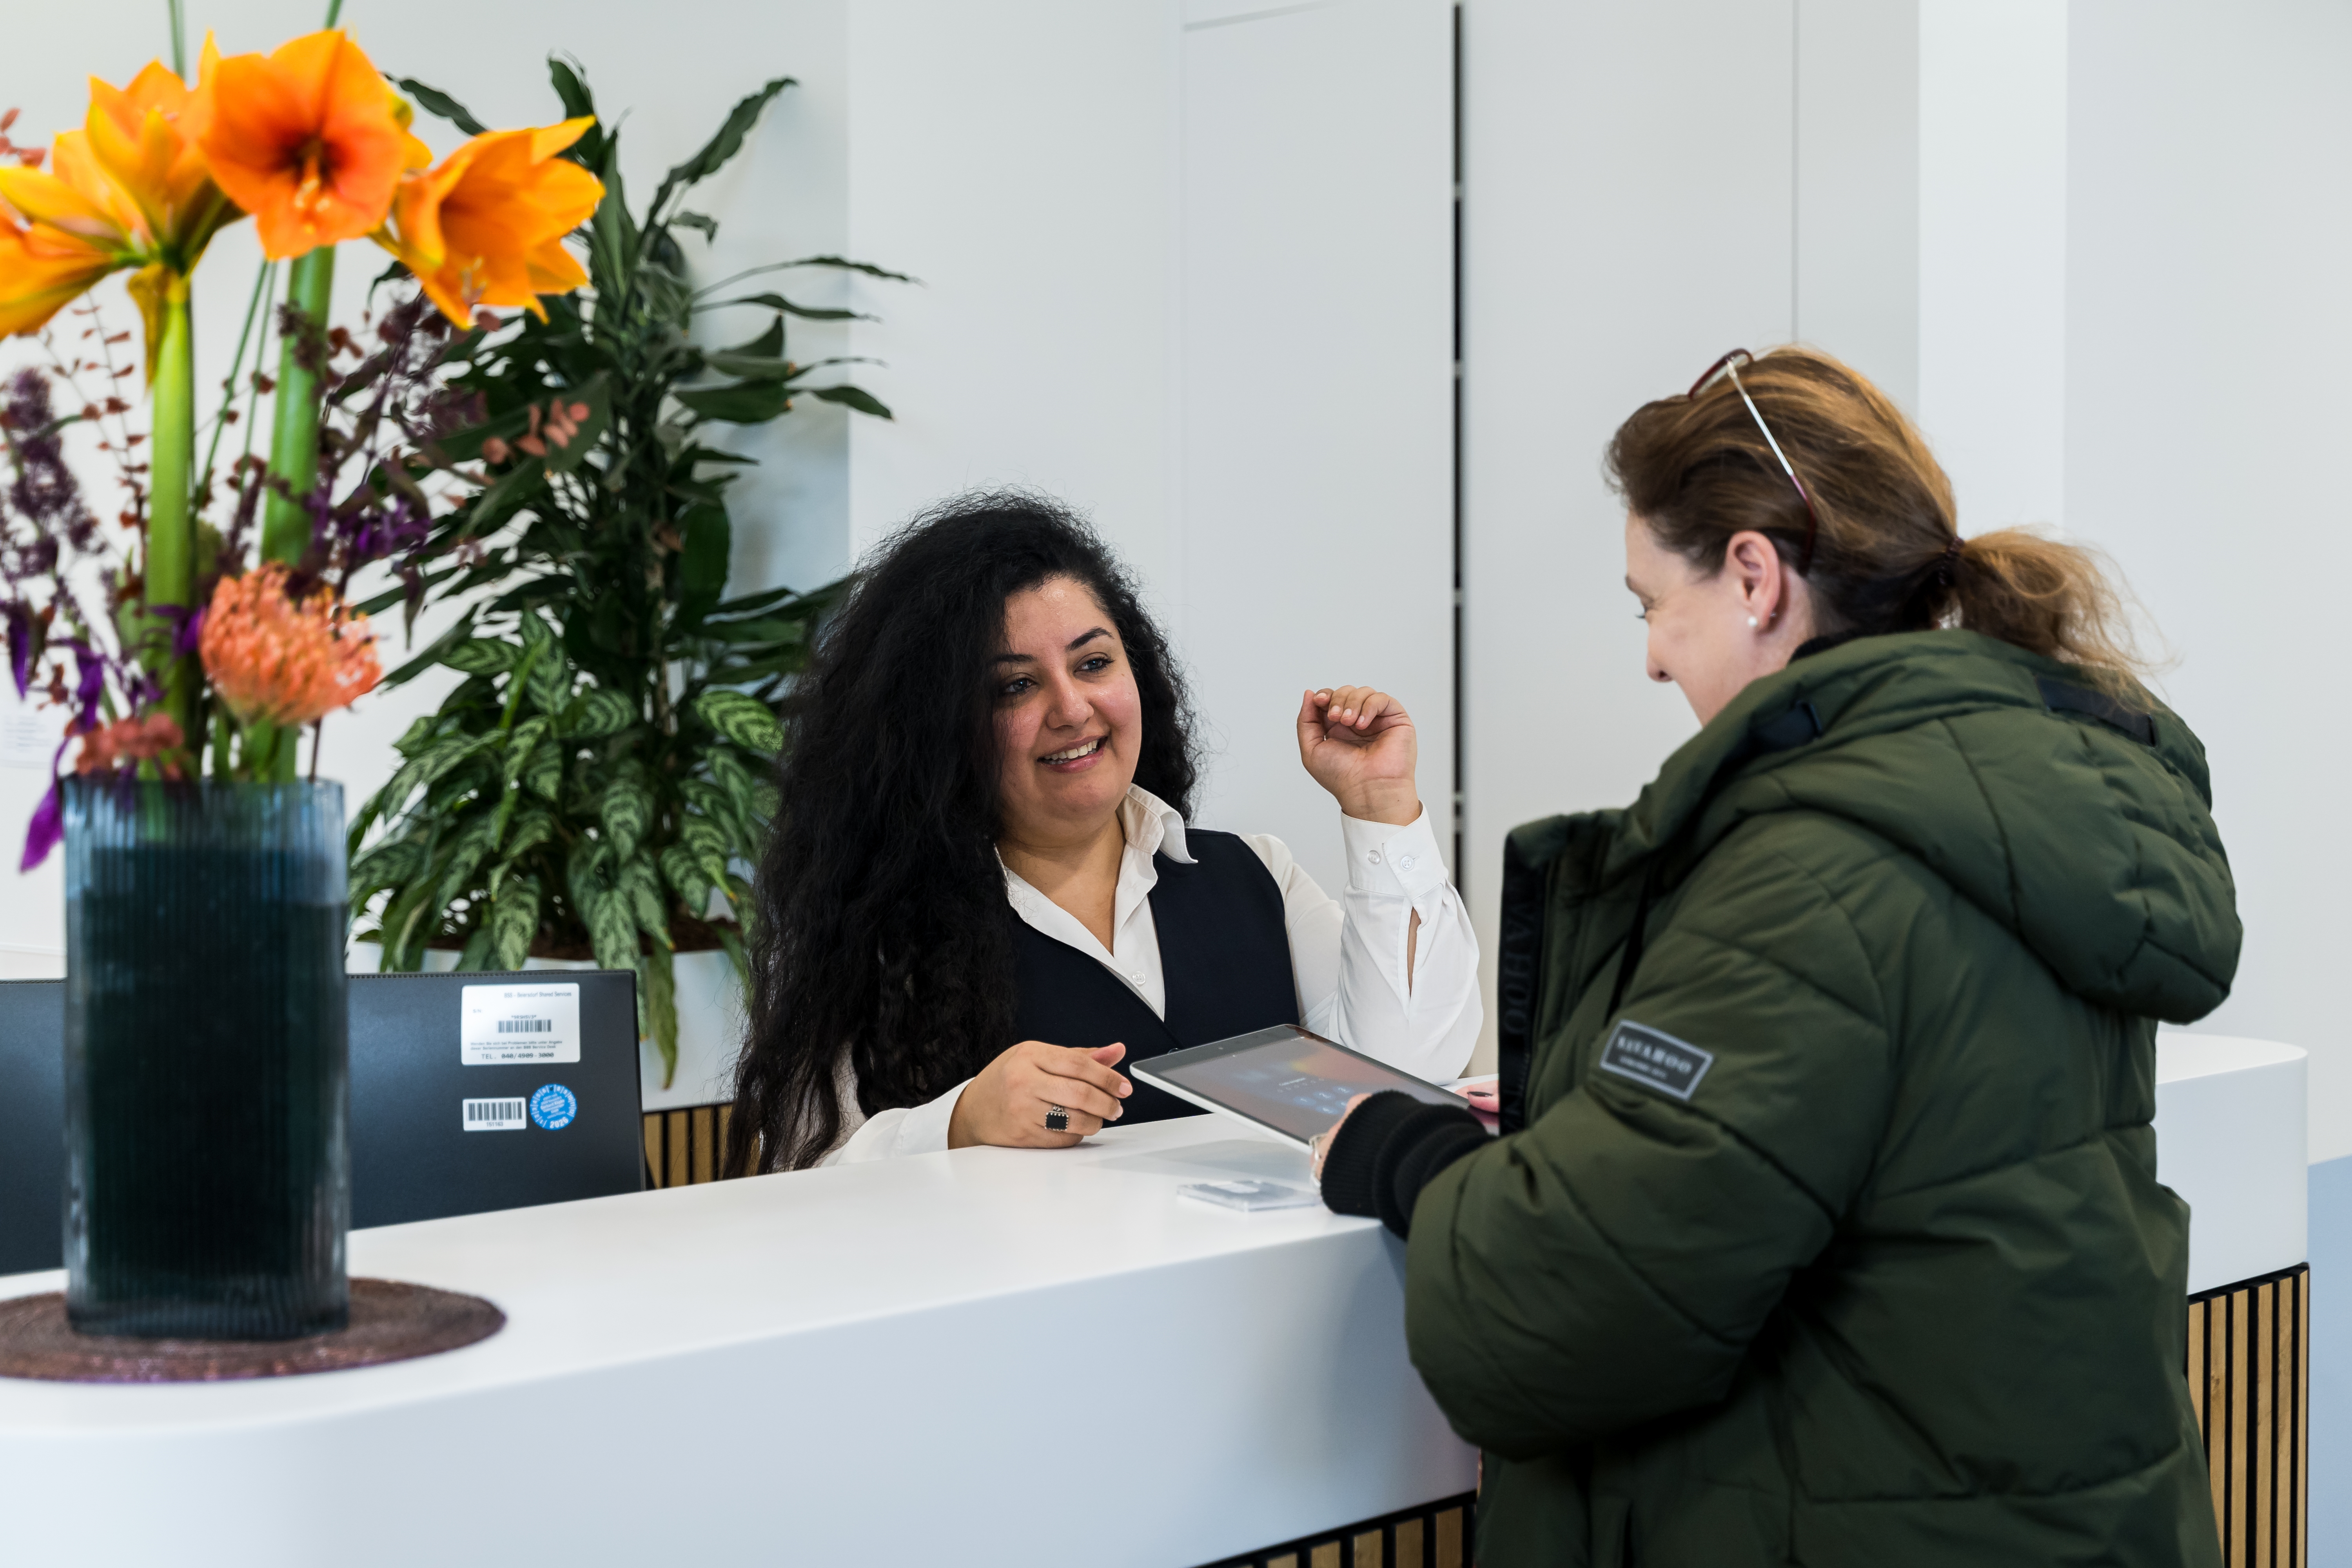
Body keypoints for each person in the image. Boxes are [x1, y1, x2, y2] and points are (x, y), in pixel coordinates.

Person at [1313, 348, 2236, 1566]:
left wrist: (1408, 1155)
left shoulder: (1818, 869)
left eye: (1652, 602)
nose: (1650, 655)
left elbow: (1571, 1303)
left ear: (1753, 576)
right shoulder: (2011, 803)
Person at [728, 491, 1479, 1172]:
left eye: (1093, 663)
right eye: (1015, 686)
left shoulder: (1257, 878)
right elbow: (805, 1178)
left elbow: (1413, 1069)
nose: (1072, 708)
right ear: (936, 731)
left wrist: (1381, 805)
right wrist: (957, 1123)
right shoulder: (880, 930)